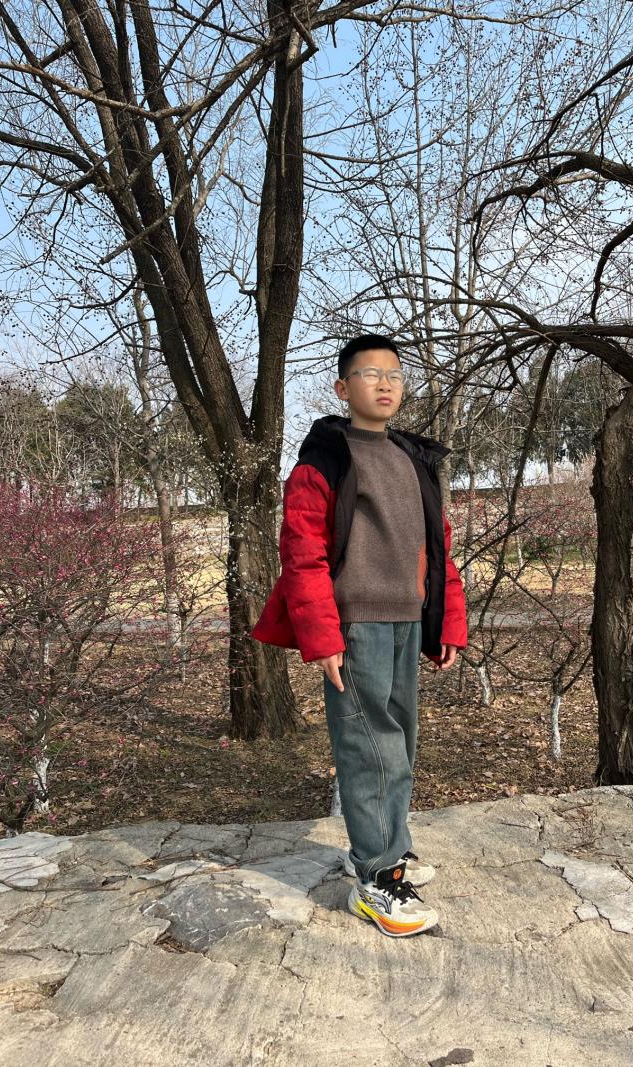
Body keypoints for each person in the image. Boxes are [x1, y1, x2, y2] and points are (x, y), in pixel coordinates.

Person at [252, 334, 468, 937]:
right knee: (370, 748)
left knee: (399, 746)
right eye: (370, 374)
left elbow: (438, 548)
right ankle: (375, 879)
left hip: (407, 622)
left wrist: (448, 619)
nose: (385, 383)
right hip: (354, 626)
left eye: (395, 374)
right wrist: (323, 637)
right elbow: (302, 554)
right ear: (343, 388)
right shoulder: (324, 461)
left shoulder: (412, 459)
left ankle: (387, 848)